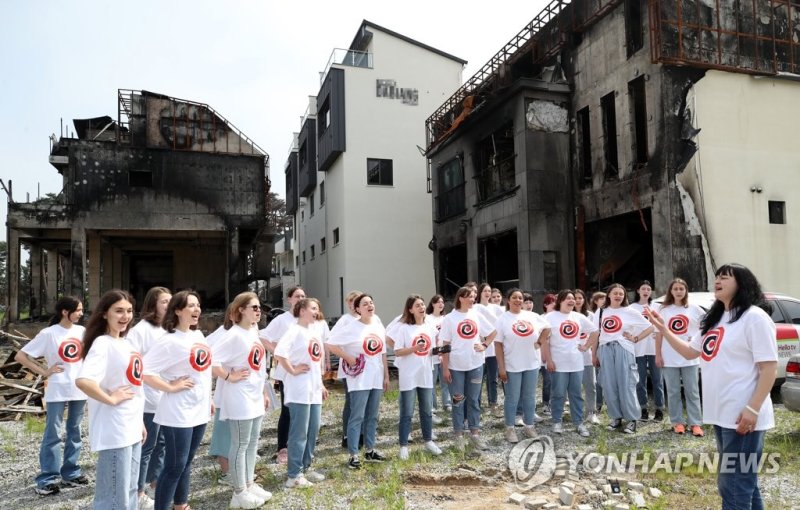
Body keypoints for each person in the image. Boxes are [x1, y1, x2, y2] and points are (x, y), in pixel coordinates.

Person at [647, 264, 777, 509]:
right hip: (721, 413)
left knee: (734, 485)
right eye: (716, 277)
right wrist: (663, 329)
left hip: (743, 415)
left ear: (743, 284)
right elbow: (689, 352)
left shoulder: (754, 318)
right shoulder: (715, 319)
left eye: (725, 277)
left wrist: (753, 408)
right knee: (744, 482)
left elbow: (769, 368)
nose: (718, 280)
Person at [142, 291, 213, 510]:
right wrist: (170, 387)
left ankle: (181, 505)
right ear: (177, 310)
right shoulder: (169, 341)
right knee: (174, 466)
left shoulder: (198, 336)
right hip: (178, 412)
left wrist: (208, 397)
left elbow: (204, 372)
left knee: (187, 462)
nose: (196, 310)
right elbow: (144, 371)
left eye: (198, 305)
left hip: (199, 410)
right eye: (191, 306)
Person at [75, 290, 144, 510]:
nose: (125, 316)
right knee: (114, 497)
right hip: (115, 430)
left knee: (130, 491)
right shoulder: (102, 343)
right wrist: (111, 399)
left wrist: (140, 422)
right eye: (119, 311)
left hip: (131, 427)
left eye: (129, 311)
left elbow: (134, 386)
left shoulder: (125, 343)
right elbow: (84, 380)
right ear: (105, 314)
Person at [16, 296, 87, 496]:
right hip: (57, 388)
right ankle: (47, 478)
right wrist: (44, 371)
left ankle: (71, 473)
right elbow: (21, 356)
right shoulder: (49, 333)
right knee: (53, 434)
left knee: (75, 431)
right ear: (65, 311)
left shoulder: (82, 332)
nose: (82, 313)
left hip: (79, 389)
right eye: (78, 310)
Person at [211, 292, 272, 507]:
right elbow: (211, 359)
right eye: (254, 307)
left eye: (259, 308)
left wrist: (264, 392)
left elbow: (259, 368)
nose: (258, 311)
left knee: (252, 443)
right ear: (240, 310)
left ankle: (248, 483)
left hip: (254, 395)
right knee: (239, 444)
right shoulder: (233, 334)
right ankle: (238, 492)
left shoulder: (253, 331)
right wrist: (229, 376)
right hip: (239, 397)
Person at [327, 294, 389, 469]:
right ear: (357, 309)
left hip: (376, 376)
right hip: (359, 378)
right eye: (364, 304)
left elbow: (382, 352)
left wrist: (385, 375)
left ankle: (370, 450)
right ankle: (353, 454)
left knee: (373, 416)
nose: (369, 305)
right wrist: (348, 357)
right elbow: (331, 344)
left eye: (371, 302)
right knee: (357, 416)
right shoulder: (351, 327)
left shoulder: (377, 323)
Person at [274, 298, 328, 488]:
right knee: (299, 433)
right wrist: (293, 370)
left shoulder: (313, 331)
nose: (316, 311)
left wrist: (320, 385)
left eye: (317, 308)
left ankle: (305, 467)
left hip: (313, 389)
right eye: (313, 308)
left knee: (313, 430)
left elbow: (316, 362)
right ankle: (293, 475)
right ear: (302, 310)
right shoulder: (294, 330)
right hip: (299, 390)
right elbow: (280, 353)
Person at [127, 286, 171, 509]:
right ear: (153, 304)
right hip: (149, 396)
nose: (169, 305)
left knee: (161, 443)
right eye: (164, 302)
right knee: (147, 446)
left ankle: (156, 481)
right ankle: (138, 492)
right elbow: (133, 364)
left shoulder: (169, 329)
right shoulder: (141, 331)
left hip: (166, 396)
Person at [439, 286, 497, 450]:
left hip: (476, 363)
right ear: (461, 298)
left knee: (474, 400)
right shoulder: (450, 319)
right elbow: (445, 345)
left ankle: (475, 434)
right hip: (456, 365)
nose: (473, 299)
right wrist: (445, 368)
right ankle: (458, 436)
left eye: (474, 296)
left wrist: (484, 344)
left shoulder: (476, 315)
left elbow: (493, 332)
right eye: (469, 297)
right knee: (458, 400)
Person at [387, 295, 444, 459]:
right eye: (417, 305)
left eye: (422, 304)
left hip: (425, 372)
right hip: (408, 374)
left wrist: (439, 352)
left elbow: (431, 348)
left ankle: (428, 441)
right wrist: (414, 348)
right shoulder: (404, 328)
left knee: (426, 410)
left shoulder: (429, 326)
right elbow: (397, 351)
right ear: (410, 309)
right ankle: (403, 445)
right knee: (407, 411)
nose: (421, 307)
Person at [594, 284, 653, 434]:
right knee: (609, 385)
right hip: (605, 349)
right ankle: (616, 417)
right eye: (615, 293)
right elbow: (595, 334)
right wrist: (594, 354)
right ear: (609, 295)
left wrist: (636, 338)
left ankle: (632, 419)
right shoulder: (601, 312)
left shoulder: (630, 311)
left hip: (623, 349)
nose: (618, 296)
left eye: (621, 293)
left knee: (626, 384)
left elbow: (650, 327)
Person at [494, 289, 550, 443]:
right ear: (508, 300)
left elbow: (547, 328)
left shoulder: (532, 316)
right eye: (515, 298)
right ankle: (510, 428)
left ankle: (529, 425)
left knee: (530, 396)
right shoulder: (502, 319)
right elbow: (497, 344)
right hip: (512, 365)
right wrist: (501, 367)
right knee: (512, 398)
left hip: (531, 363)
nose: (518, 300)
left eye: (521, 298)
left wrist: (539, 342)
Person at [542, 290, 599, 437]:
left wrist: (586, 346)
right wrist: (548, 360)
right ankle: (556, 421)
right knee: (558, 394)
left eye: (573, 299)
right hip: (558, 363)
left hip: (576, 363)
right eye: (568, 298)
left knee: (576, 394)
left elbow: (595, 331)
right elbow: (544, 341)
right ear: (560, 301)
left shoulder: (578, 317)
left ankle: (579, 423)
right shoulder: (550, 317)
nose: (571, 301)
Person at [259, 286, 305, 464]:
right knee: (288, 409)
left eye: (303, 295)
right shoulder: (283, 320)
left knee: (303, 409)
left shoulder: (308, 319)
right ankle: (282, 447)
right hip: (287, 371)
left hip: (306, 371)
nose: (300, 298)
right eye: (297, 296)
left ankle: (299, 444)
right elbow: (262, 336)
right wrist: (277, 351)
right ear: (289, 299)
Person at [655, 278, 704, 436]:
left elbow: (707, 327)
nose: (678, 291)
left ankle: (695, 423)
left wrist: (695, 338)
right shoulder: (664, 310)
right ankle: (677, 422)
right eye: (675, 288)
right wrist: (658, 354)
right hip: (669, 357)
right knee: (673, 391)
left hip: (690, 356)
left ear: (686, 291)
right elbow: (658, 334)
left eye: (681, 288)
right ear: (671, 291)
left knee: (692, 391)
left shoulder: (695, 309)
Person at [332, 290, 364, 449]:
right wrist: (346, 356)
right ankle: (347, 434)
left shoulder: (366, 319)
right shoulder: (345, 320)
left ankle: (361, 433)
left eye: (356, 301)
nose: (353, 305)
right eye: (351, 302)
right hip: (350, 368)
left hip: (366, 368)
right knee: (351, 401)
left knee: (363, 401)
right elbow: (331, 341)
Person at [629, 280, 665, 422]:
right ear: (638, 290)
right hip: (638, 348)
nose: (646, 291)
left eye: (648, 289)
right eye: (643, 288)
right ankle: (643, 408)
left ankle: (659, 409)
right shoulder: (632, 308)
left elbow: (663, 324)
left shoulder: (657, 306)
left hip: (655, 347)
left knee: (658, 380)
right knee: (640, 380)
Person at [475, 283, 504, 416]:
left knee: (493, 378)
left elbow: (501, 323)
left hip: (493, 348)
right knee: (478, 379)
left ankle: (493, 403)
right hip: (479, 347)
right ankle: (477, 404)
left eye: (489, 291)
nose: (487, 293)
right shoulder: (475, 308)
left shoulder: (496, 308)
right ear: (480, 293)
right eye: (485, 291)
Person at [574, 289, 600, 425]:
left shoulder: (590, 315)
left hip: (587, 356)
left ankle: (591, 412)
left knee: (591, 385)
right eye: (575, 298)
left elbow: (595, 335)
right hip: (571, 358)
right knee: (574, 387)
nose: (577, 300)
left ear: (585, 300)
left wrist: (593, 352)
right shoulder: (567, 316)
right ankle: (576, 412)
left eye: (580, 298)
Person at [426, 294, 451, 413]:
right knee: (431, 382)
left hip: (444, 354)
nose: (441, 304)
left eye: (442, 302)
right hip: (433, 354)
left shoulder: (446, 318)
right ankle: (433, 406)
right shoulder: (428, 318)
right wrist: (438, 353)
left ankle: (447, 402)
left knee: (445, 380)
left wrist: (443, 353)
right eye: (438, 302)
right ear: (433, 304)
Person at [539, 294, 557, 416]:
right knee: (547, 380)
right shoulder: (541, 318)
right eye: (552, 302)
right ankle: (546, 403)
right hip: (543, 353)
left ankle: (555, 402)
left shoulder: (558, 317)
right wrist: (543, 354)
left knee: (556, 380)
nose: (555, 304)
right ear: (546, 304)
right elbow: (541, 339)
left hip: (556, 353)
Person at [590, 291, 607, 413]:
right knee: (599, 377)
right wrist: (594, 353)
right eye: (601, 299)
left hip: (608, 347)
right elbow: (594, 334)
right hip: (599, 347)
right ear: (596, 301)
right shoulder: (597, 313)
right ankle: (599, 403)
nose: (604, 300)